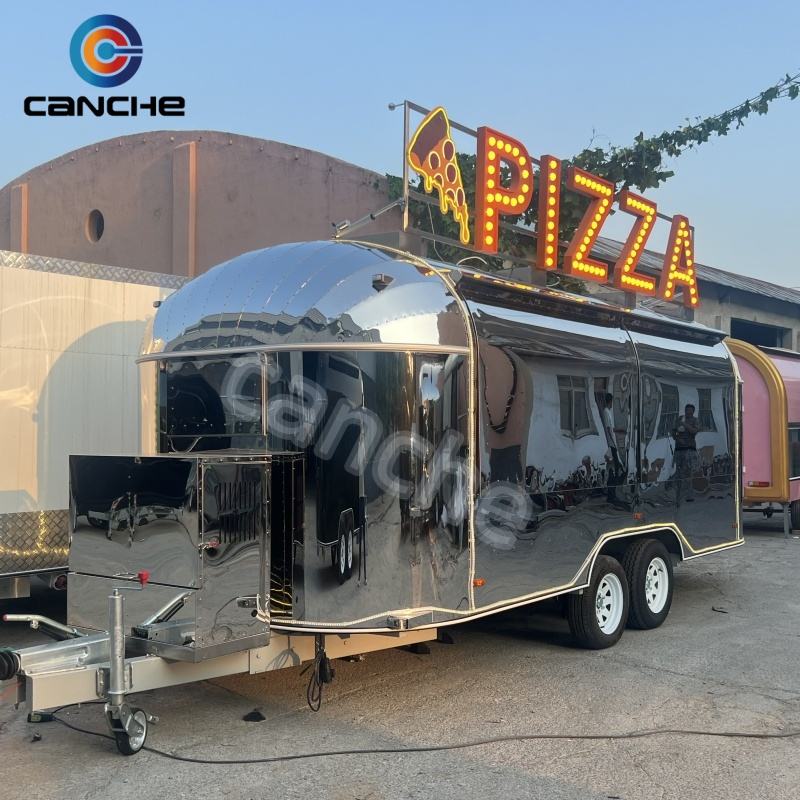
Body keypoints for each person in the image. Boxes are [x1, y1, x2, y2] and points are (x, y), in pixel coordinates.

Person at [672, 403, 699, 504]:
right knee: (678, 473)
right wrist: (677, 438)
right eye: (687, 410)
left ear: (693, 411)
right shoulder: (679, 419)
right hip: (679, 449)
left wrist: (684, 424)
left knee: (688, 472)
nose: (688, 412)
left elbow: (694, 431)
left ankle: (689, 495)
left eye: (690, 410)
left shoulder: (695, 420)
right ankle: (678, 495)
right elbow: (673, 432)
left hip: (689, 449)